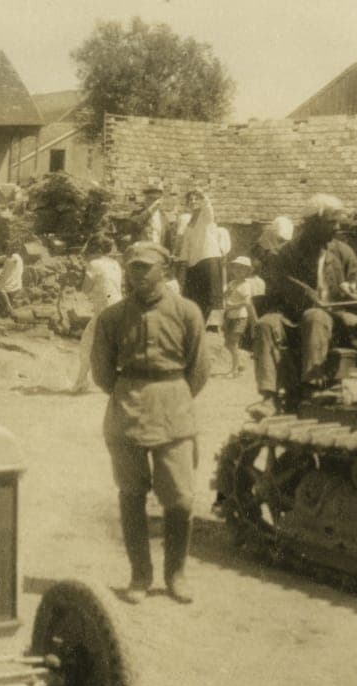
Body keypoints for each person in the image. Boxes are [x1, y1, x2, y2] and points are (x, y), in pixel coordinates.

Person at [91, 241, 210, 604]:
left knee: (180, 498)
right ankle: (140, 575)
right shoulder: (112, 317)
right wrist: (132, 391)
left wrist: (170, 394)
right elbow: (102, 373)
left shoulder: (187, 312)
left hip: (173, 407)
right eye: (132, 267)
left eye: (145, 267)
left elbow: (199, 370)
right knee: (131, 495)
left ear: (165, 270)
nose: (136, 273)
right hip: (127, 408)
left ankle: (176, 574)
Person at [249, 194, 357, 419]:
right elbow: (278, 288)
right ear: (313, 222)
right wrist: (299, 295)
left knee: (315, 316)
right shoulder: (287, 253)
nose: (337, 227)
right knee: (265, 324)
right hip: (292, 316)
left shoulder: (343, 252)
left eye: (338, 222)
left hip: (333, 321)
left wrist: (354, 293)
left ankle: (312, 387)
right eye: (331, 222)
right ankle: (269, 397)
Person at [72, 236, 123, 393]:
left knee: (87, 346)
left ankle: (81, 382)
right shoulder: (115, 264)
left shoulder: (94, 264)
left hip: (104, 310)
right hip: (119, 307)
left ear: (96, 250)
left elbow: (86, 289)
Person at [178, 190, 226, 322]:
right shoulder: (188, 222)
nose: (193, 201)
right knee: (193, 298)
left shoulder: (205, 216)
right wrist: (183, 262)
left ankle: (201, 327)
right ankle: (196, 327)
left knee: (207, 300)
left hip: (208, 260)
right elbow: (186, 246)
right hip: (194, 264)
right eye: (190, 200)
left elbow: (208, 208)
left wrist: (203, 195)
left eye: (196, 199)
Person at [223, 256, 258, 378]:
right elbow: (225, 298)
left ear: (247, 272)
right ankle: (240, 362)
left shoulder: (245, 285)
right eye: (236, 268)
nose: (238, 271)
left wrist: (231, 305)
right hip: (229, 316)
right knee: (227, 343)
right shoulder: (232, 283)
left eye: (242, 269)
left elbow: (247, 303)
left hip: (240, 317)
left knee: (234, 342)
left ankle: (234, 370)